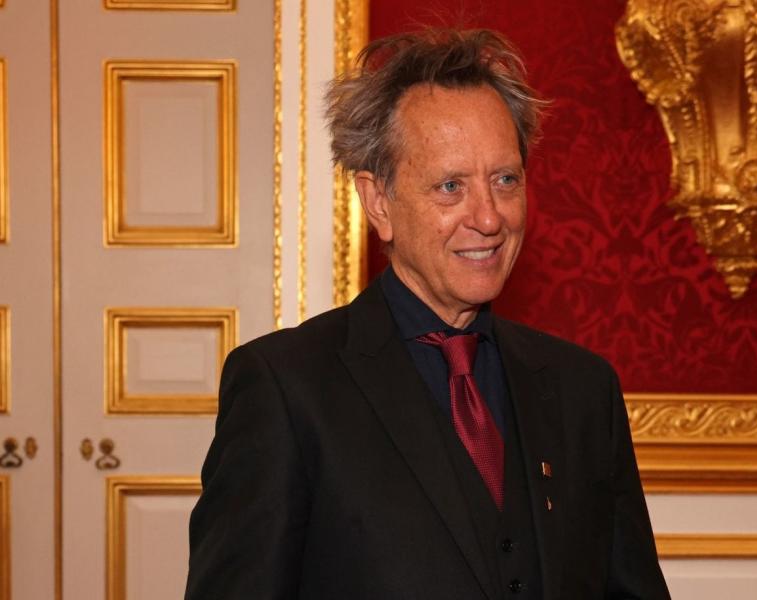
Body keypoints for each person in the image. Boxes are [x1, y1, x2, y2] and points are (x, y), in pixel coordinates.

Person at [186, 28, 670, 600]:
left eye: (505, 180)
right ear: (379, 202)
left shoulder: (583, 390)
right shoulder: (286, 389)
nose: (489, 218)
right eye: (450, 186)